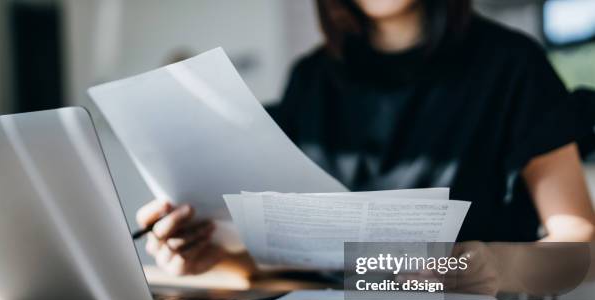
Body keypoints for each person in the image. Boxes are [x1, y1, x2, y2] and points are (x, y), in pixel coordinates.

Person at [137, 0, 595, 278]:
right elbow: (302, 261)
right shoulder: (311, 81)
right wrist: (212, 257)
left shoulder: (513, 66)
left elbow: (580, 242)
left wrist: (480, 267)